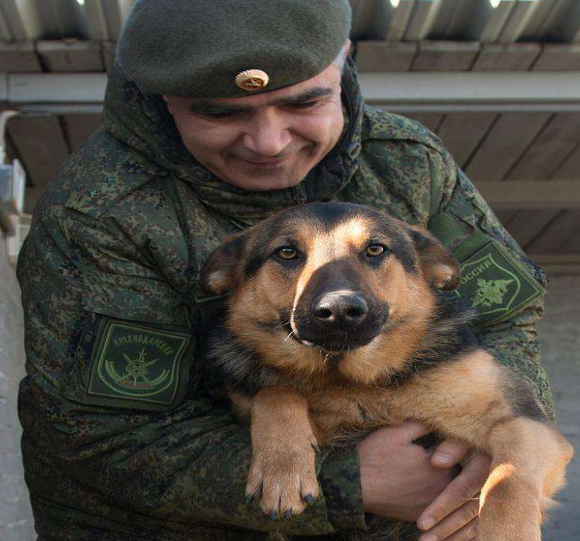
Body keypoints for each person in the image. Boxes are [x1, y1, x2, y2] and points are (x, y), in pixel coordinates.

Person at [16, 1, 553, 540]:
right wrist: (351, 480)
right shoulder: (97, 215)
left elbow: (506, 316)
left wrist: (493, 444)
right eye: (220, 113)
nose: (269, 143)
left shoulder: (407, 161)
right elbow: (102, 436)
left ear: (343, 62)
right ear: (162, 99)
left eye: (306, 101)